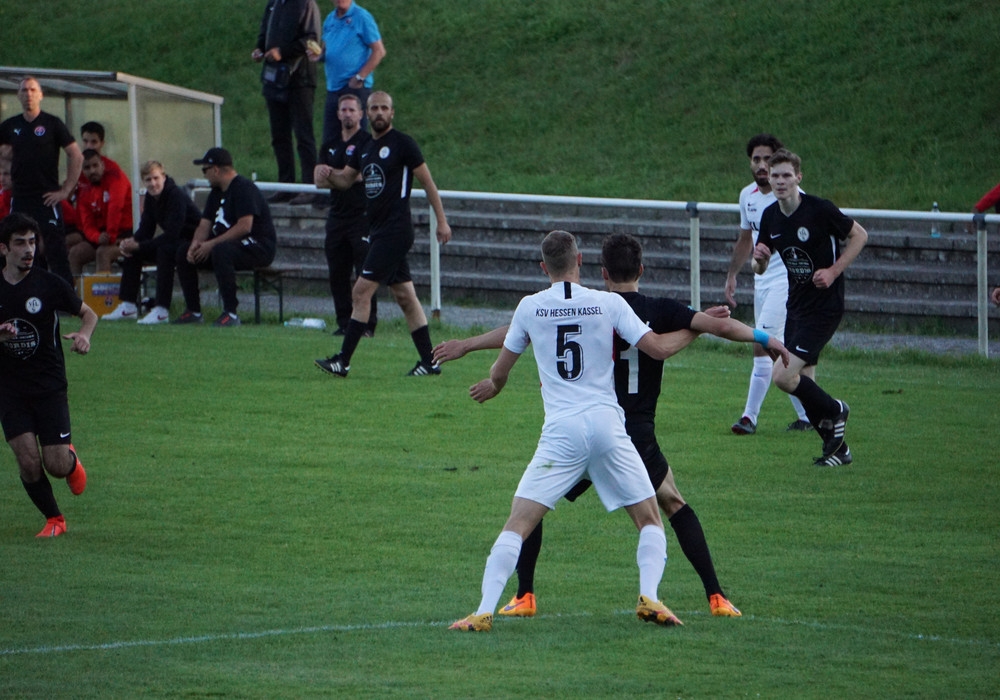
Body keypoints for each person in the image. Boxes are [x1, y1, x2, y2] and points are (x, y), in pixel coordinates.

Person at [437, 232, 790, 621]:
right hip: (615, 427)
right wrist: (710, 327)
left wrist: (486, 371)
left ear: (547, 267)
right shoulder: (612, 305)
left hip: (565, 432)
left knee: (522, 518)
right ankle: (671, 596)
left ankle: (499, 605)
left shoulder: (532, 308)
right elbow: (660, 345)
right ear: (582, 261)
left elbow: (512, 349)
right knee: (658, 512)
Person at [314, 91, 452, 377]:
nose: (379, 112)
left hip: (396, 230)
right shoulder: (364, 146)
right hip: (377, 230)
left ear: (392, 113)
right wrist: (327, 173)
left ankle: (343, 360)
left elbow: (428, 183)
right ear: (368, 111)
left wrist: (442, 221)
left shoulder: (403, 144)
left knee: (360, 291)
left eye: (384, 108)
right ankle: (429, 361)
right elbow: (344, 180)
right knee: (404, 295)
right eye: (374, 108)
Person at [752, 149, 868, 467]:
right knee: (805, 383)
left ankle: (835, 409)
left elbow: (860, 235)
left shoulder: (819, 210)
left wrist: (833, 271)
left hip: (825, 308)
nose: (780, 181)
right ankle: (838, 451)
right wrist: (758, 259)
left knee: (783, 377)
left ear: (798, 178)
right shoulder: (770, 216)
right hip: (796, 308)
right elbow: (758, 266)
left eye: (786, 175)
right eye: (775, 176)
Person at [0, 212, 97, 538]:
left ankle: (70, 461)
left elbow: (89, 314)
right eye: (19, 243)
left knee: (54, 465)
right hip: (9, 388)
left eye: (32, 242)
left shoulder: (48, 284)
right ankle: (54, 519)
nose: (28, 249)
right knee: (27, 460)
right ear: (3, 249)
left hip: (48, 385)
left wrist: (84, 335)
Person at [725, 134, 812, 435]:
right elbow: (746, 237)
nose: (761, 165)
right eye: (756, 159)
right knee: (773, 349)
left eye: (767, 159)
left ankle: (749, 417)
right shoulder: (747, 196)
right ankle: (811, 412)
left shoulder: (790, 197)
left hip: (787, 283)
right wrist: (733, 275)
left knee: (762, 343)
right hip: (761, 282)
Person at [174, 148, 277, 327]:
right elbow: (204, 224)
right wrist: (195, 245)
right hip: (226, 245)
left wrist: (211, 244)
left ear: (216, 170)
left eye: (205, 170)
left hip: (258, 245)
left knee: (222, 251)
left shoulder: (243, 188)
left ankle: (231, 312)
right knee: (183, 251)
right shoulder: (216, 192)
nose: (204, 175)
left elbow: (245, 226)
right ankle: (193, 311)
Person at [0, 76, 83, 286]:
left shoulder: (52, 123)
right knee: (20, 247)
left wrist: (66, 190)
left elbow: (76, 155)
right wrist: (6, 166)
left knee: (55, 249)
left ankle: (67, 300)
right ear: (18, 95)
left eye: (32, 90)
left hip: (47, 197)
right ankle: (28, 295)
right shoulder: (11, 126)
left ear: (40, 95)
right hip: (20, 198)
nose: (28, 94)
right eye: (24, 90)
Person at [103, 161, 202, 324]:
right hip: (174, 241)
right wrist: (131, 241)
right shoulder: (150, 198)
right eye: (148, 180)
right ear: (143, 181)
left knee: (164, 250)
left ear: (163, 177)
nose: (153, 183)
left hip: (192, 241)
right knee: (133, 252)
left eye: (156, 178)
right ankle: (128, 306)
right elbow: (146, 229)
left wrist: (140, 245)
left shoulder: (175, 195)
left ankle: (161, 309)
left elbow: (172, 234)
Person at [314, 93, 376, 335]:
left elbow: (362, 176)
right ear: (338, 114)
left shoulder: (367, 142)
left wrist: (334, 174)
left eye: (352, 110)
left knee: (365, 273)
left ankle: (367, 325)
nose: (348, 114)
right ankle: (344, 323)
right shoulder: (329, 143)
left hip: (361, 216)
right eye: (344, 110)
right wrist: (339, 177)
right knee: (337, 273)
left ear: (361, 114)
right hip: (336, 217)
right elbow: (318, 181)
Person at [253, 0, 323, 205]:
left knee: (303, 135)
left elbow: (312, 40)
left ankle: (310, 186)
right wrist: (259, 48)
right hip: (275, 77)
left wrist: (282, 52)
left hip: (299, 78)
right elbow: (265, 30)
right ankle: (286, 185)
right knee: (279, 135)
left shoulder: (305, 4)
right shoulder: (274, 3)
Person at [317, 0, 386, 142]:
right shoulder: (330, 19)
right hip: (334, 87)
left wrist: (360, 77)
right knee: (330, 139)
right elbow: (326, 50)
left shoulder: (361, 17)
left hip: (354, 87)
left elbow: (379, 51)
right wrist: (318, 56)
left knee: (355, 139)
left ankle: (355, 165)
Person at [66, 149, 133, 275]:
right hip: (101, 238)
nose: (92, 171)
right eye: (87, 167)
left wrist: (110, 236)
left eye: (95, 165)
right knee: (75, 253)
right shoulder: (85, 191)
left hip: (124, 235)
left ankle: (102, 294)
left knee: (103, 253)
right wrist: (97, 237)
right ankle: (73, 292)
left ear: (102, 165)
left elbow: (116, 208)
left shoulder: (116, 178)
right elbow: (87, 225)